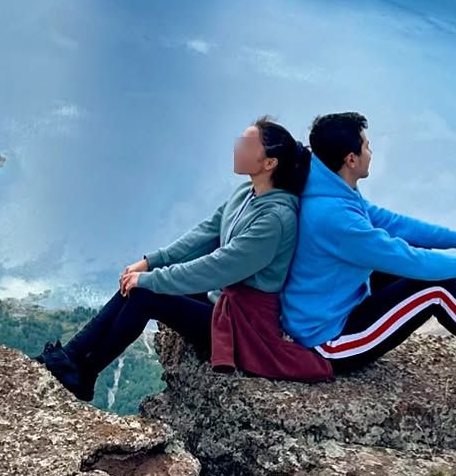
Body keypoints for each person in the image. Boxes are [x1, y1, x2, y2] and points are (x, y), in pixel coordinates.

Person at [36, 117, 332, 402]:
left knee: (145, 295)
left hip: (244, 325)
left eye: (246, 144)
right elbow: (205, 233)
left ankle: (86, 372)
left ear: (269, 163)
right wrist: (150, 262)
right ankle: (71, 357)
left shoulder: (275, 220)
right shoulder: (247, 192)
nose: (236, 147)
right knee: (136, 285)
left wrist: (152, 278)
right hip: (224, 301)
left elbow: (217, 267)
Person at [281, 111, 456, 391]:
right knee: (436, 289)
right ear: (351, 159)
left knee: (420, 266)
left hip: (335, 305)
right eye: (366, 146)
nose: (371, 151)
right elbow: (409, 261)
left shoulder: (328, 185)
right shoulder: (334, 216)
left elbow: (388, 222)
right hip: (330, 340)